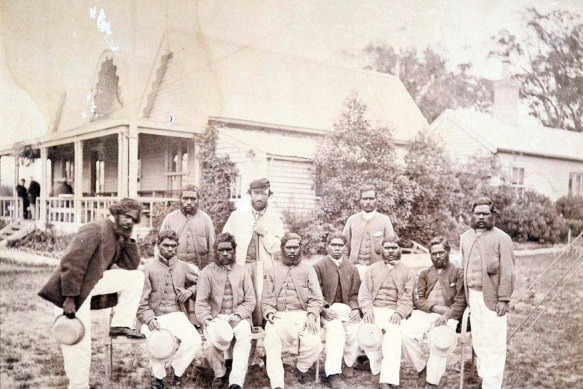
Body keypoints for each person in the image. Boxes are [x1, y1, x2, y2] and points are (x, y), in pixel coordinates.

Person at [38, 198, 145, 389]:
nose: (129, 222)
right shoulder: (94, 228)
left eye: (134, 219)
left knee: (136, 277)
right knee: (79, 348)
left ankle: (120, 325)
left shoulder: (119, 235)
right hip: (70, 293)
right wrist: (70, 299)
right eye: (127, 216)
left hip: (91, 286)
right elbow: (71, 261)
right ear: (117, 213)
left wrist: (129, 240)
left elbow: (130, 266)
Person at [460, 197, 515, 389]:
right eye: (478, 213)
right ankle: (485, 376)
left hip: (492, 298)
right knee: (480, 340)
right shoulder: (465, 237)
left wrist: (504, 299)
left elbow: (508, 271)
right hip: (473, 298)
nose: (481, 217)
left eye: (485, 213)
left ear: (493, 215)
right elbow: (463, 268)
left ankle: (492, 385)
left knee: (495, 343)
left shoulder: (502, 238)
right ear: (472, 215)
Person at [137, 230, 202, 389]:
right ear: (158, 246)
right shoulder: (148, 268)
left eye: (173, 246)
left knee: (195, 341)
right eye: (166, 245)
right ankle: (157, 378)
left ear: (177, 247)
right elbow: (141, 301)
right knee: (158, 342)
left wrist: (191, 291)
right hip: (154, 316)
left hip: (177, 316)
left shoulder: (183, 267)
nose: (170, 249)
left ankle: (176, 369)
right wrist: (149, 318)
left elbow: (204, 284)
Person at [402, 236, 467, 389]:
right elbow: (418, 299)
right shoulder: (424, 273)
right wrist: (437, 309)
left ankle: (431, 382)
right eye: (433, 253)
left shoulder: (458, 272)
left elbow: (461, 301)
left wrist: (447, 315)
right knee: (404, 334)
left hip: (449, 315)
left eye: (441, 252)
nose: (437, 256)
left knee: (441, 340)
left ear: (448, 252)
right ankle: (422, 368)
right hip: (425, 312)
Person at [261, 233, 324, 389]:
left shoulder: (308, 270)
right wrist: (269, 313)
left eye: (295, 247)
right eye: (288, 247)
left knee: (315, 344)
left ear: (300, 249)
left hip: (303, 315)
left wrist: (311, 316)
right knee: (271, 341)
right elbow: (266, 299)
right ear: (282, 249)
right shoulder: (273, 270)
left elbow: (317, 298)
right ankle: (277, 384)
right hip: (279, 316)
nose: (292, 251)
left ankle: (301, 367)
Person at [195, 233, 256, 389]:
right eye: (221, 250)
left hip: (238, 317)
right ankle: (219, 373)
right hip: (215, 317)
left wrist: (239, 315)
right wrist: (207, 320)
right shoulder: (207, 272)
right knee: (210, 340)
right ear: (215, 251)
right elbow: (201, 302)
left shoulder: (242, 271)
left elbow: (250, 300)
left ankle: (236, 381)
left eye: (228, 250)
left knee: (244, 336)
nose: (225, 253)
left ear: (234, 251)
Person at [223, 178, 285, 325]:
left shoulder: (275, 219)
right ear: (250, 194)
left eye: (263, 194)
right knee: (241, 297)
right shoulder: (237, 216)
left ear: (268, 195)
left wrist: (264, 234)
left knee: (260, 299)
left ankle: (260, 332)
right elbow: (225, 239)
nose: (259, 197)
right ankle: (243, 329)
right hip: (241, 264)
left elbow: (279, 247)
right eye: (256, 193)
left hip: (263, 267)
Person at [358, 235, 414, 389]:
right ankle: (376, 368)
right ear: (381, 249)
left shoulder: (408, 271)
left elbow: (408, 297)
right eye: (387, 248)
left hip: (394, 311)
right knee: (368, 334)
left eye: (394, 247)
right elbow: (364, 293)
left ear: (400, 249)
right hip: (374, 310)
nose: (390, 251)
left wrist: (399, 313)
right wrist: (367, 310)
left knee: (393, 337)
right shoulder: (372, 269)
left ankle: (386, 380)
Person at [313, 232, 361, 389]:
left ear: (345, 248)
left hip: (346, 311)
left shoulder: (352, 268)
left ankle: (348, 363)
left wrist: (355, 309)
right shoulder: (318, 267)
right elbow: (315, 293)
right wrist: (324, 308)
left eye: (340, 245)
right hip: (327, 313)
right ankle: (333, 373)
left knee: (355, 328)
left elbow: (355, 294)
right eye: (333, 245)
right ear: (327, 247)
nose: (337, 248)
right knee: (336, 331)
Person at [343, 184, 394, 279]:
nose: (368, 202)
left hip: (378, 270)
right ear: (360, 201)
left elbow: (392, 248)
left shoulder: (384, 220)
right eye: (365, 199)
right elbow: (345, 246)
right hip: (355, 269)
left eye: (371, 198)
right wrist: (345, 267)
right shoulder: (352, 220)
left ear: (376, 200)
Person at [160, 185, 215, 270]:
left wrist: (208, 272)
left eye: (193, 199)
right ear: (180, 200)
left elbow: (212, 250)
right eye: (185, 198)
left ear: (198, 201)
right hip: (174, 271)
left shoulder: (206, 220)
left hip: (199, 271)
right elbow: (159, 246)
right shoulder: (170, 219)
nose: (189, 202)